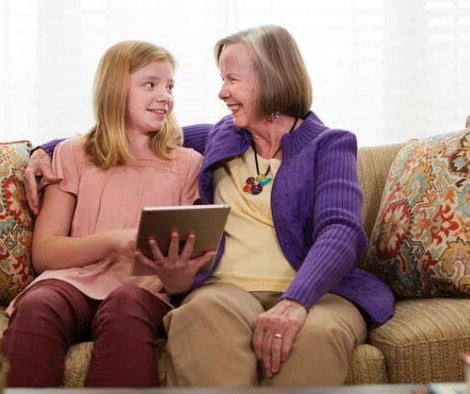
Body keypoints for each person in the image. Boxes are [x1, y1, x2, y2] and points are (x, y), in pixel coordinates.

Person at [26, 25, 395, 386]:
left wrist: (295, 301)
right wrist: (42, 151)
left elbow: (341, 231)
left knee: (312, 338)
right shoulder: (222, 135)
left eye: (231, 79)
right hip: (226, 291)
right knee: (199, 318)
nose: (222, 92)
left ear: (269, 79)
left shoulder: (329, 146)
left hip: (317, 295)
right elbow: (125, 131)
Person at [0, 40, 210, 388]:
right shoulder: (72, 154)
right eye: (150, 85)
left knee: (125, 304)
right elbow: (45, 253)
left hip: (145, 292)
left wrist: (177, 277)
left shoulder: (189, 163)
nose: (165, 97)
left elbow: (183, 279)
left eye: (170, 86)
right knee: (39, 303)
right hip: (74, 280)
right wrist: (113, 241)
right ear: (115, 90)